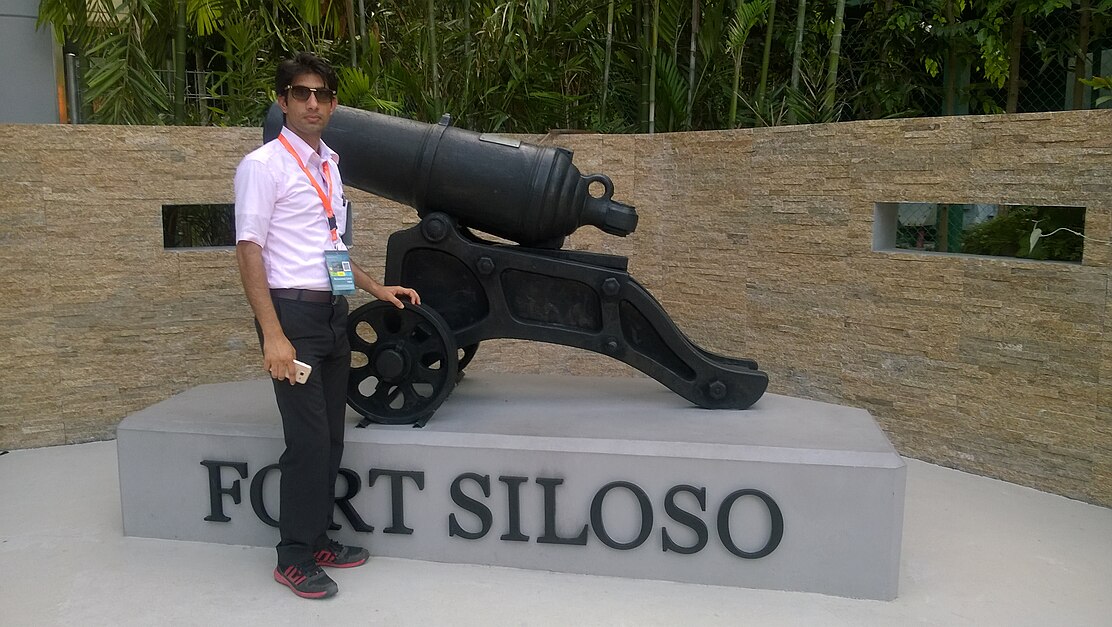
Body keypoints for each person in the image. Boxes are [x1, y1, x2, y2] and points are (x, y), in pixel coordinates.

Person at [234, 51, 420, 600]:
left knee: (333, 438)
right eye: (300, 92)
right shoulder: (263, 166)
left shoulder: (328, 165)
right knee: (308, 440)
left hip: (331, 312)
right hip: (291, 315)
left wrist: (375, 290)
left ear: (333, 104)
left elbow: (331, 249)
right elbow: (249, 250)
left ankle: (316, 539)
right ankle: (293, 555)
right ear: (282, 100)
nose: (311, 102)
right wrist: (272, 333)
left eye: (321, 94)